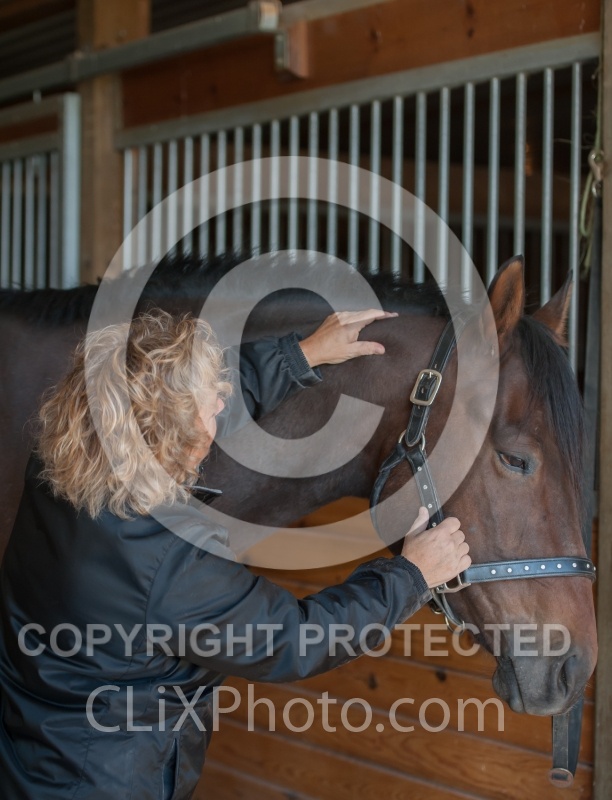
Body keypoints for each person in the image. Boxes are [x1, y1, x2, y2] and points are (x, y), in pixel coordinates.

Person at [0, 309, 470, 800]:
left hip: (27, 754)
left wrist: (300, 355)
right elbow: (294, 639)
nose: (223, 404)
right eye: (211, 406)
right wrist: (411, 576)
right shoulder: (168, 560)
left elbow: (159, 393)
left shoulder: (57, 460)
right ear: (175, 435)